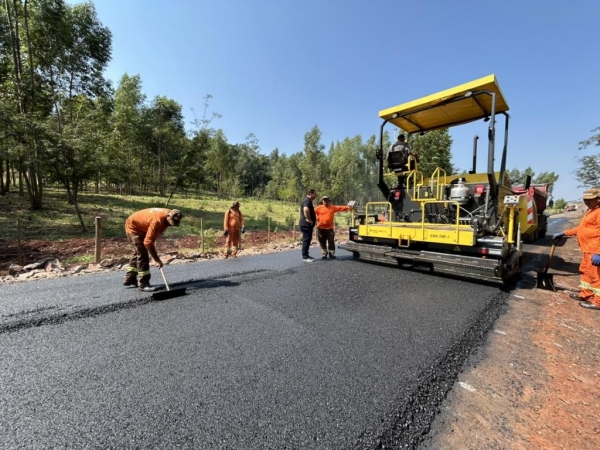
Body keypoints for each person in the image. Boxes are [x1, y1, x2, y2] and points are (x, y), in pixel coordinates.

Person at [552, 188, 600, 310]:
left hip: (594, 251)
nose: (586, 202)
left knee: (595, 276)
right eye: (585, 200)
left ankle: (597, 302)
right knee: (585, 272)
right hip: (587, 250)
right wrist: (564, 233)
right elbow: (581, 229)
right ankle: (585, 294)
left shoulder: (599, 212)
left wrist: (599, 253)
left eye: (589, 200)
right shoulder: (590, 211)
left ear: (598, 199)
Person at [123, 208, 183, 290]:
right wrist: (156, 259)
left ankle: (130, 279)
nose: (172, 225)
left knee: (138, 251)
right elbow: (148, 243)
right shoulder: (157, 221)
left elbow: (153, 236)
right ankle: (143, 284)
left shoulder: (172, 213)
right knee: (143, 253)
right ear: (168, 216)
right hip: (133, 227)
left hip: (143, 226)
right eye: (172, 222)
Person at [299, 189, 317, 262]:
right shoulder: (307, 201)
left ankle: (306, 255)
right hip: (306, 224)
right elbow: (306, 210)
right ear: (310, 193)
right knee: (306, 240)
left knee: (308, 240)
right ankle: (305, 257)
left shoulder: (308, 201)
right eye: (315, 194)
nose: (316, 195)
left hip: (306, 225)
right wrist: (309, 220)